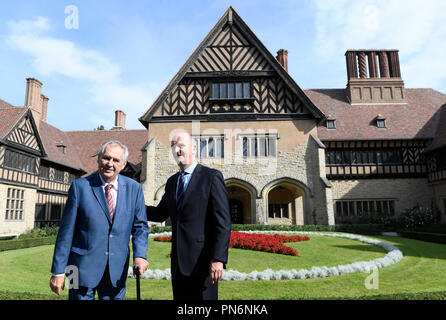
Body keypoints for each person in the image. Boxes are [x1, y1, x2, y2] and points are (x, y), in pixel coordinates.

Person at [49, 140, 149, 300]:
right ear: (98, 159)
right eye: (106, 158)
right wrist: (58, 271)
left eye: (116, 160)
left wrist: (140, 255)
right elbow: (66, 233)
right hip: (77, 269)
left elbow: (140, 227)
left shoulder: (134, 189)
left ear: (123, 165)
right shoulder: (79, 187)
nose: (110, 164)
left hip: (116, 271)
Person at [146, 131, 231, 300]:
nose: (176, 150)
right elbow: (159, 213)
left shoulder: (211, 177)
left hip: (204, 263)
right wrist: (131, 206)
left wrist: (218, 259)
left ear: (193, 148)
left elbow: (223, 223)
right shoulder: (172, 182)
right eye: (173, 146)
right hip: (178, 265)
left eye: (180, 145)